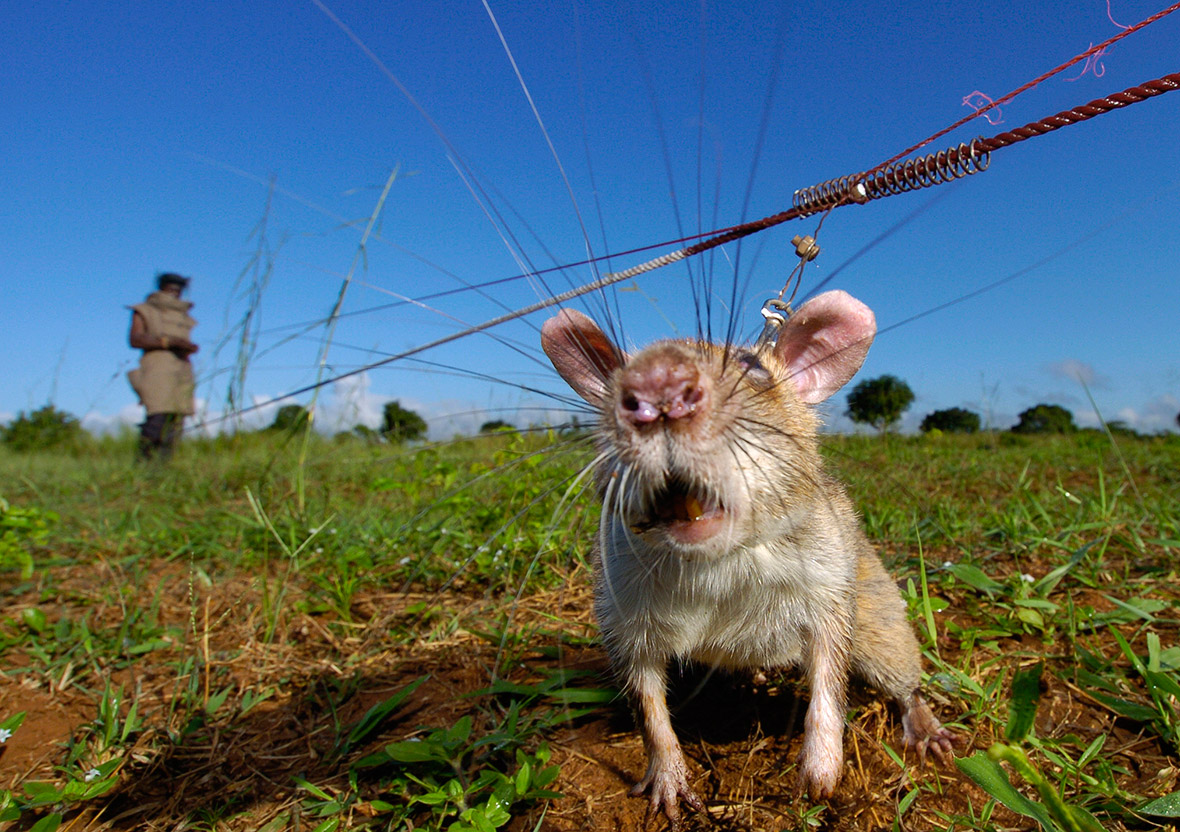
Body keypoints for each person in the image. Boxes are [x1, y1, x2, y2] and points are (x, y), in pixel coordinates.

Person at [127, 273, 199, 460]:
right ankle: (144, 465)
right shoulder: (144, 310)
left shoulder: (184, 317)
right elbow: (135, 339)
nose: (175, 294)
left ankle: (164, 467)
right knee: (157, 417)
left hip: (182, 369)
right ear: (161, 288)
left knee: (176, 421)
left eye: (179, 290)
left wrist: (188, 347)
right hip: (157, 368)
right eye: (171, 289)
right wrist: (169, 342)